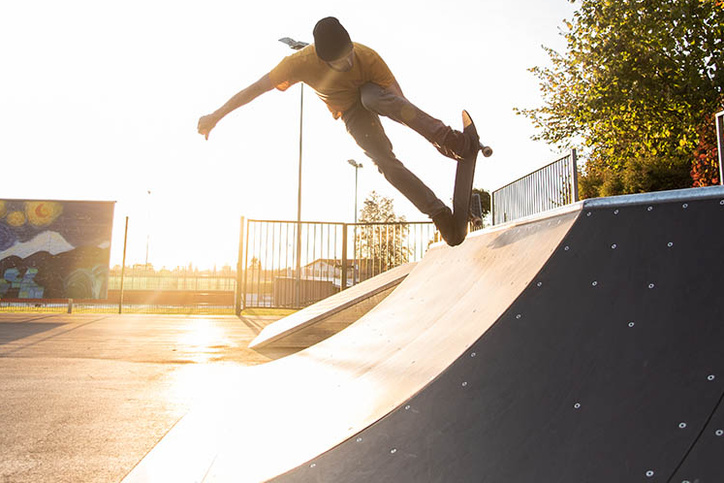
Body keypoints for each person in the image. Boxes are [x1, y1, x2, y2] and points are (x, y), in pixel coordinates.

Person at [198, 17, 478, 246]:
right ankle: (440, 215)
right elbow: (254, 89)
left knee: (372, 98)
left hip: (374, 94)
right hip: (351, 113)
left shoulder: (367, 57)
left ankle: (452, 140)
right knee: (384, 163)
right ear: (323, 60)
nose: (347, 64)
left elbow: (403, 106)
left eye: (349, 57)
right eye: (339, 62)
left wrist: (437, 138)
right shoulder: (297, 64)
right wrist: (216, 116)